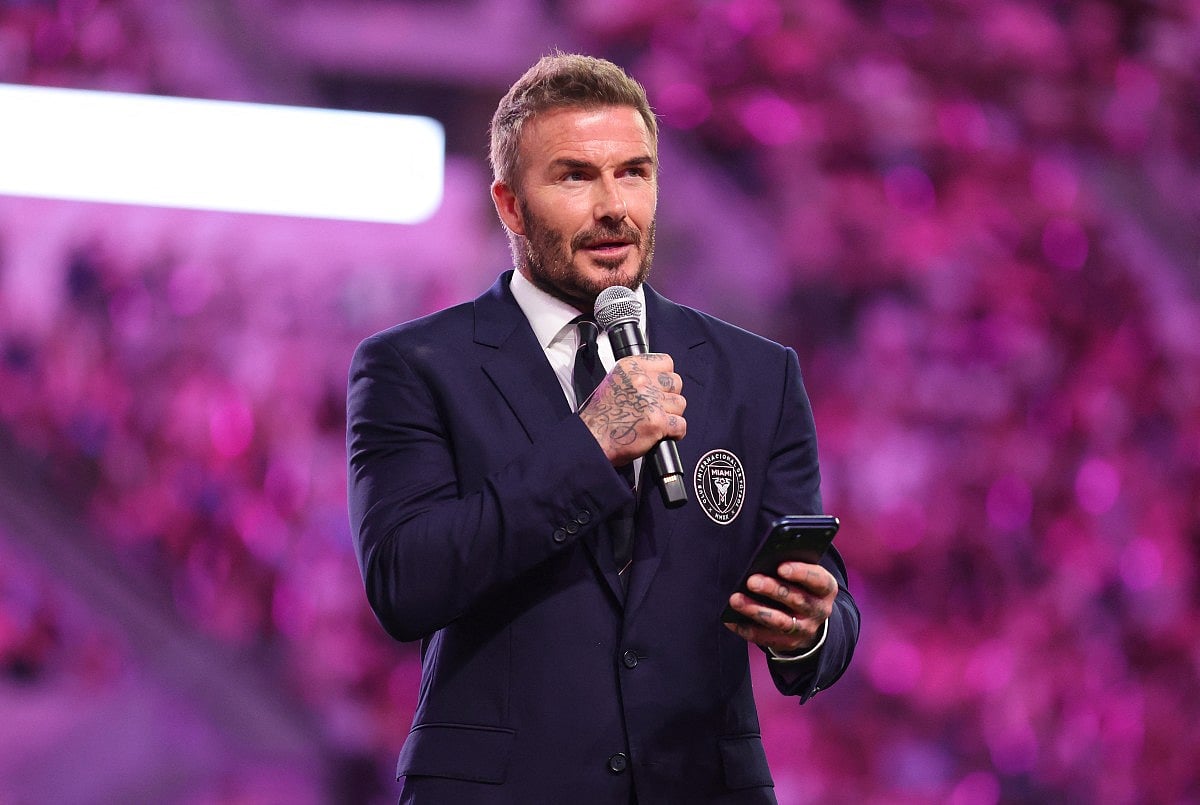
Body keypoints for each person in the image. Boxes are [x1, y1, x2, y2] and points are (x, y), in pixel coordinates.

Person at [347, 52, 859, 803]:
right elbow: (405, 583)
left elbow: (821, 594)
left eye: (634, 172)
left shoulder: (758, 373)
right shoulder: (414, 366)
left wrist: (810, 628)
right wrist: (589, 446)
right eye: (575, 176)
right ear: (510, 205)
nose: (615, 205)